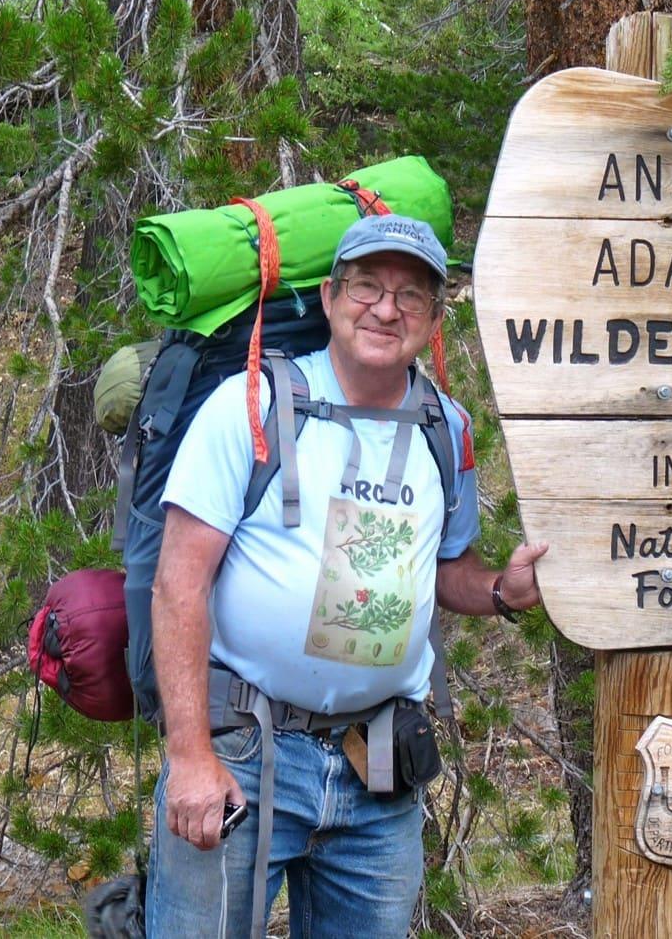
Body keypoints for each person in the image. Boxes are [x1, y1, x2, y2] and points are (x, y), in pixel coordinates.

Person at [146, 213, 547, 938]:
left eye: (410, 295)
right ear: (330, 296)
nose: (386, 308)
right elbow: (178, 585)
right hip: (245, 748)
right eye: (368, 286)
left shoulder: (445, 427)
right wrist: (189, 756)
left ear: (432, 317)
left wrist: (500, 591)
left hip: (379, 765)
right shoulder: (252, 405)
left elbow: (446, 570)